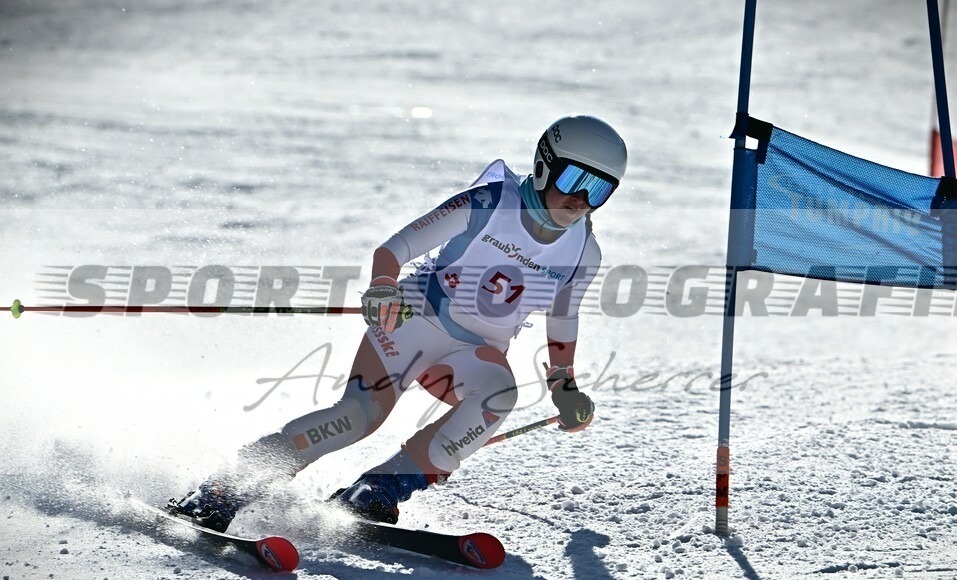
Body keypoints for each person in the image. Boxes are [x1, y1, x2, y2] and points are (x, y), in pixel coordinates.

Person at [171, 114, 628, 531]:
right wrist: (385, 284)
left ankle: (378, 490)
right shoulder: (490, 203)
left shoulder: (584, 251)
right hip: (415, 318)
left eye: (600, 189)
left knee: (497, 397)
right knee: (355, 418)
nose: (582, 199)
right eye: (574, 179)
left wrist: (563, 383)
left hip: (473, 354)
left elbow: (564, 314)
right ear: (546, 166)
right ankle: (222, 489)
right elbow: (394, 249)